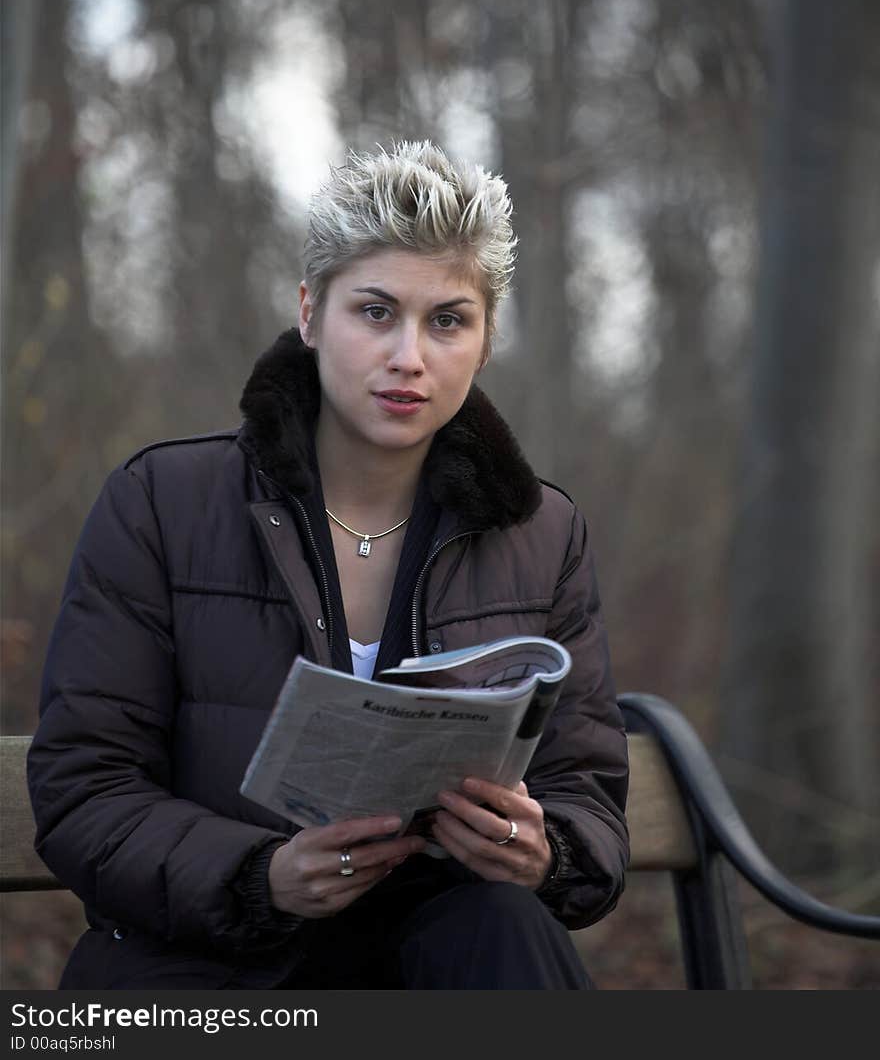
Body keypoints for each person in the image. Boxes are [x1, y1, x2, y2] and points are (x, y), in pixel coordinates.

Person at [27, 141, 629, 990]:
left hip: (439, 949)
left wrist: (543, 850)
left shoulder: (542, 531)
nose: (409, 357)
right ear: (311, 314)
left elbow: (585, 791)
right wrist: (259, 877)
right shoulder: (162, 501)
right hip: (208, 959)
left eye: (447, 320)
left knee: (503, 928)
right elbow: (86, 787)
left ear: (486, 341)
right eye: (375, 312)